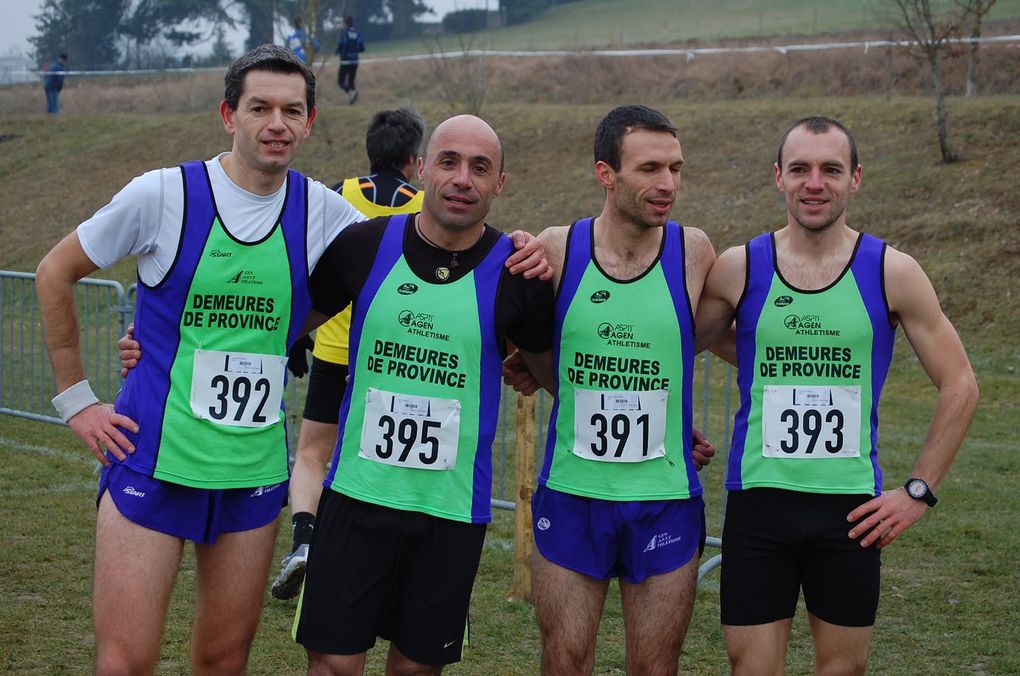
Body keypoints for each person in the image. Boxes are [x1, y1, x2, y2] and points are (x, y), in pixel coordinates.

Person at [34, 44, 370, 675]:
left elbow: (407, 259)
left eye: (292, 110)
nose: (276, 123)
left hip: (251, 473)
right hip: (152, 461)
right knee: (126, 661)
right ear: (228, 114)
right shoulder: (163, 194)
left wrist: (522, 249)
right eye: (259, 107)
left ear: (310, 121)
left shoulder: (323, 211)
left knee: (222, 660)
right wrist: (76, 401)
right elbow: (55, 273)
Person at [694, 116, 979, 675]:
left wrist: (917, 491)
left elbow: (961, 382)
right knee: (750, 670)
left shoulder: (892, 271)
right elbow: (673, 350)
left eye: (831, 169)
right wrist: (538, 359)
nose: (814, 182)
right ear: (779, 177)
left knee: (843, 671)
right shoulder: (741, 267)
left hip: (850, 513)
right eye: (800, 168)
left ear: (856, 179)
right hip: (758, 506)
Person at [292, 114, 555, 674]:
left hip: (450, 514)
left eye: (480, 168)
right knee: (334, 665)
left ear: (500, 183)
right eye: (449, 162)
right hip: (357, 499)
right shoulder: (362, 247)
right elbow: (275, 326)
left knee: (415, 670)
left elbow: (561, 377)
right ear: (421, 169)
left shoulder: (516, 272)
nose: (463, 178)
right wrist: (153, 344)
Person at [502, 105, 717, 675]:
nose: (667, 184)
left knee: (655, 666)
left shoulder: (694, 251)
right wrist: (524, 359)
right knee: (566, 659)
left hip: (664, 498)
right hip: (574, 493)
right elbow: (517, 341)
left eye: (676, 168)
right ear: (606, 173)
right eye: (649, 169)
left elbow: (734, 340)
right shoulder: (556, 248)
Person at [270, 106, 428, 601]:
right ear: (413, 159)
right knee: (387, 455)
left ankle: (304, 542)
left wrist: (295, 336)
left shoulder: (335, 195)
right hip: (394, 355)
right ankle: (390, 556)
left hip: (335, 350)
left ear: (369, 151)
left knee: (313, 452)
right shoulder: (427, 207)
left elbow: (306, 268)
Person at [335, 15, 365, 104]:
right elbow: (362, 47)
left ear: (346, 23)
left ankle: (351, 93)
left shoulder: (345, 33)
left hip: (345, 61)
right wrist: (355, 51)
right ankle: (353, 100)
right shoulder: (358, 34)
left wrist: (337, 51)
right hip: (355, 61)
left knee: (340, 81)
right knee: (351, 81)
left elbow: (341, 44)